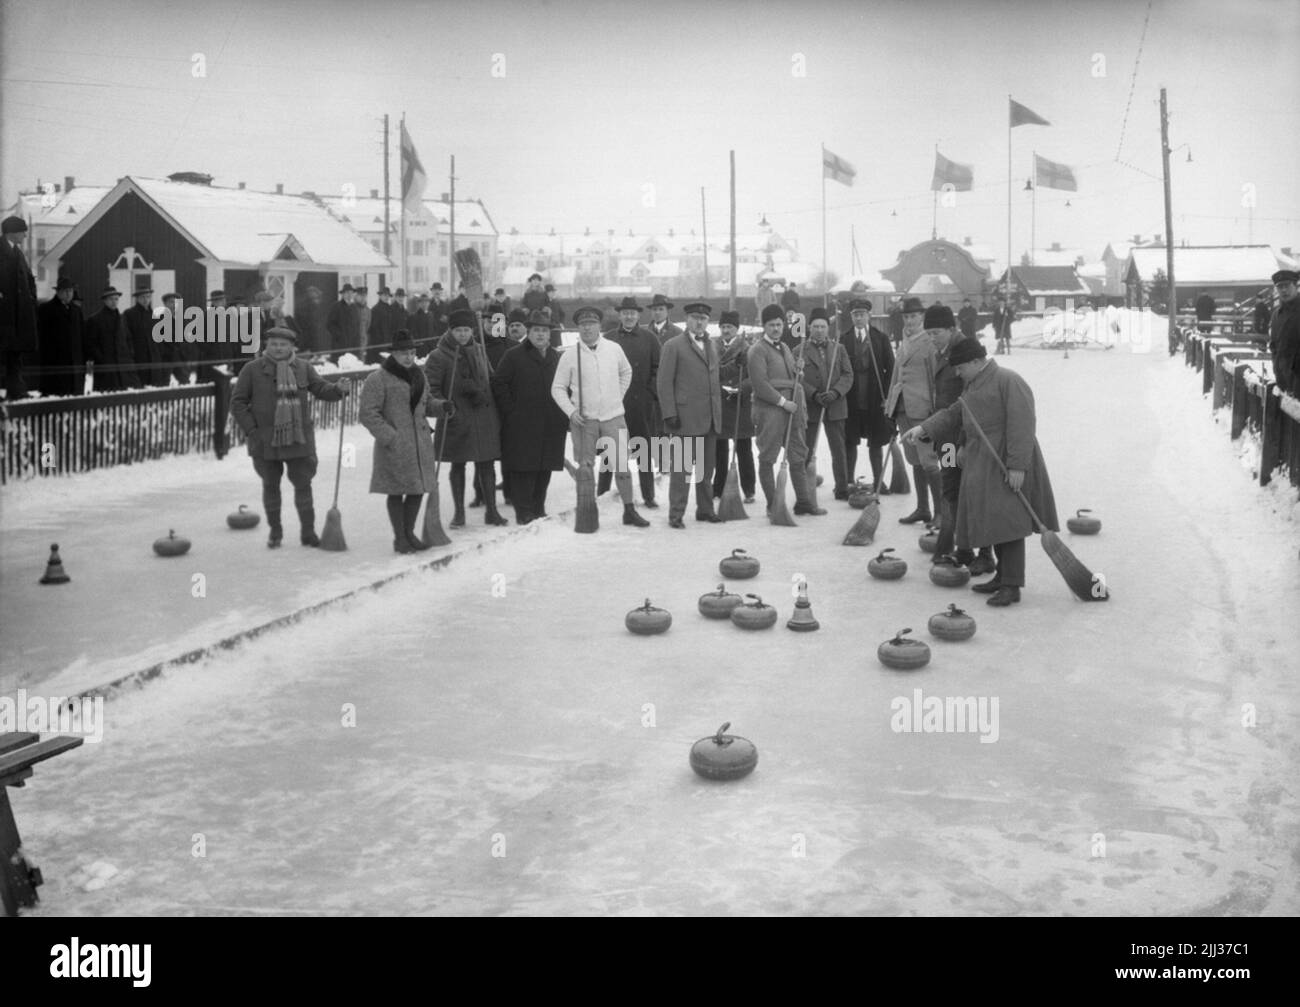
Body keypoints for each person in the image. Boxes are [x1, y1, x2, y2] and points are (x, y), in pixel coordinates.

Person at [904, 338, 1059, 607]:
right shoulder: (973, 384)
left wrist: (1017, 466)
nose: (958, 373)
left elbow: (1023, 426)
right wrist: (927, 430)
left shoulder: (1009, 380)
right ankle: (1001, 576)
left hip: (1005, 461)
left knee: (1010, 523)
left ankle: (1012, 585)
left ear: (977, 361)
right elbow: (957, 414)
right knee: (994, 520)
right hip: (984, 461)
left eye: (961, 367)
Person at [229, 326, 348, 548]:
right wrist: (252, 431)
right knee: (270, 485)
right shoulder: (252, 369)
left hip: (298, 439)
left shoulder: (303, 368)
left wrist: (338, 389)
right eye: (273, 344)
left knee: (303, 485)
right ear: (266, 345)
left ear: (293, 347)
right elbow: (237, 403)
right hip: (265, 441)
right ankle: (275, 532)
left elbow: (321, 389)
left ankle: (308, 533)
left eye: (283, 344)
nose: (278, 348)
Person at [551, 305, 650, 528]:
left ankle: (629, 510)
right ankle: (587, 512)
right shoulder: (570, 355)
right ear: (578, 328)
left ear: (599, 326)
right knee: (586, 467)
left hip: (613, 417)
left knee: (622, 466)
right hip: (584, 420)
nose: (587, 328)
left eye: (592, 324)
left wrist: (618, 395)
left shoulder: (614, 349)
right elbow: (557, 388)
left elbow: (626, 372)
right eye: (583, 325)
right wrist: (571, 411)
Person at [921, 304, 994, 576]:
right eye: (928, 333)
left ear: (952, 329)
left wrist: (963, 441)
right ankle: (959, 548)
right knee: (952, 489)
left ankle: (984, 554)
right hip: (948, 440)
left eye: (936, 332)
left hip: (964, 440)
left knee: (972, 493)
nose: (932, 338)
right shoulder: (940, 352)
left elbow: (970, 403)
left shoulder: (966, 351)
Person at [358, 329, 439, 554]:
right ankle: (400, 538)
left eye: (412, 353)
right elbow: (368, 413)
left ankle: (409, 533)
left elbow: (427, 403)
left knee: (417, 489)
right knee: (396, 491)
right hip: (395, 446)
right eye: (404, 353)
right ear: (392, 354)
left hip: (419, 444)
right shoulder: (378, 378)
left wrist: (441, 407)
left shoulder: (419, 375)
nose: (409, 357)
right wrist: (390, 436)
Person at [424, 308, 507, 528]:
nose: (463, 334)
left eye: (467, 330)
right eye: (458, 330)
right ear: (450, 331)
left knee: (486, 465)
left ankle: (492, 510)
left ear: (472, 330)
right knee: (457, 466)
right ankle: (459, 514)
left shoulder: (479, 350)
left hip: (484, 416)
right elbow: (430, 389)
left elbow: (490, 377)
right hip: (457, 417)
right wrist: (445, 406)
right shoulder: (438, 356)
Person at [491, 311, 569, 524]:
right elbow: (499, 383)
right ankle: (523, 511)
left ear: (549, 333)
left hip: (551, 422)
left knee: (545, 467)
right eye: (536, 330)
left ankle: (538, 507)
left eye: (544, 330)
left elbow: (567, 386)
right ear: (528, 332)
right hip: (522, 423)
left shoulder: (557, 357)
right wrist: (511, 410)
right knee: (524, 468)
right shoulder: (514, 355)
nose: (540, 335)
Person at [748, 303, 820, 516]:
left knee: (797, 455)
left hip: (793, 410)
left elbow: (793, 379)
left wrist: (798, 370)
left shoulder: (787, 348)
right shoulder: (757, 350)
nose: (776, 329)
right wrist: (782, 402)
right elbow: (760, 385)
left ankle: (804, 503)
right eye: (771, 325)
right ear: (764, 327)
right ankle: (774, 505)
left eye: (779, 324)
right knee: (768, 457)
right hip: (770, 410)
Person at [657, 301, 724, 527]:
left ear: (707, 322)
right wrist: (669, 413)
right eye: (695, 317)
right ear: (687, 320)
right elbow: (664, 382)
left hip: (709, 419)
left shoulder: (712, 345)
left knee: (706, 471)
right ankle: (676, 514)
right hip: (683, 419)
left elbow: (713, 378)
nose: (699, 322)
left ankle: (705, 510)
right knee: (681, 471)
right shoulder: (673, 345)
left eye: (703, 319)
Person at [884, 297, 942, 526]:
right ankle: (922, 508)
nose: (909, 320)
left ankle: (940, 513)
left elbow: (936, 379)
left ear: (922, 317)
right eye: (906, 316)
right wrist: (890, 408)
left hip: (924, 411)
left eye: (914, 316)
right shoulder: (904, 341)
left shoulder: (930, 342)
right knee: (915, 460)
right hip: (903, 409)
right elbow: (896, 377)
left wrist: (936, 410)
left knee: (930, 461)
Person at [602, 296, 660, 508]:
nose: (629, 316)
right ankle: (603, 493)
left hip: (641, 404)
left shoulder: (649, 338)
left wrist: (649, 393)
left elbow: (658, 368)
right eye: (625, 312)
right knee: (610, 450)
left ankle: (648, 495)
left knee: (643, 450)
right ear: (620, 315)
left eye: (632, 313)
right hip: (613, 404)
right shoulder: (608, 338)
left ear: (638, 315)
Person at [800, 306, 854, 502]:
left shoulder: (839, 348)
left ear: (828, 328)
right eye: (816, 326)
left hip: (836, 406)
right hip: (812, 407)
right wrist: (813, 394)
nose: (820, 330)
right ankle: (805, 488)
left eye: (823, 326)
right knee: (807, 448)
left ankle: (841, 488)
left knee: (839, 449)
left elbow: (849, 375)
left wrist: (836, 392)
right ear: (809, 327)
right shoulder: (800, 350)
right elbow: (797, 379)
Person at [841, 297, 895, 494]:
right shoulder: (844, 339)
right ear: (851, 316)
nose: (859, 318)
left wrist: (886, 396)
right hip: (852, 399)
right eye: (855, 314)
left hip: (875, 398)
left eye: (862, 314)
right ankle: (847, 482)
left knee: (876, 442)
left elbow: (891, 368)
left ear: (869, 315)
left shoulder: (880, 338)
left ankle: (879, 481)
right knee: (850, 441)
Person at [712, 310, 756, 503]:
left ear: (737, 329)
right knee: (720, 450)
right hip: (720, 402)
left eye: (730, 327)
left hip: (740, 404)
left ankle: (749, 489)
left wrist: (740, 388)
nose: (726, 330)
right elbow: (710, 372)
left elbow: (754, 376)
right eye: (723, 327)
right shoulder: (711, 347)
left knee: (744, 449)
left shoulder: (748, 349)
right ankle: (719, 488)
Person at [0, 215, 38, 398]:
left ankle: (16, 391)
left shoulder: (17, 253)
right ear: (12, 232)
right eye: (22, 232)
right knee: (6, 353)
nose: (24, 235)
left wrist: (31, 298)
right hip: (4, 316)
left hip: (18, 316)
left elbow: (29, 280)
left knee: (15, 355)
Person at [37, 277, 85, 396]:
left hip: (74, 363)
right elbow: (41, 335)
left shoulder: (76, 310)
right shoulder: (46, 309)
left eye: (71, 291)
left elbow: (81, 335)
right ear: (58, 292)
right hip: (55, 360)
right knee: (56, 395)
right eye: (65, 291)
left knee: (73, 396)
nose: (69, 294)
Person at [83, 286, 137, 391]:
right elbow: (91, 344)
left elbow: (128, 339)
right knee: (107, 397)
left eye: (116, 299)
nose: (114, 302)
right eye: (111, 299)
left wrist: (129, 355)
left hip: (123, 366)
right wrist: (102, 359)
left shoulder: (122, 319)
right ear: (104, 300)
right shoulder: (95, 320)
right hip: (106, 367)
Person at [122, 287, 165, 387]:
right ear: (137, 299)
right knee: (140, 385)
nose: (146, 300)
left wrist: (159, 352)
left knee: (155, 386)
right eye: (142, 297)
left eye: (148, 297)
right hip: (139, 356)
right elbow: (126, 336)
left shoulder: (155, 315)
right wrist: (131, 353)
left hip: (155, 358)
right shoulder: (129, 314)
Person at [1269, 269, 1299, 396]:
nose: (1284, 290)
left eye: (1287, 286)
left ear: (1296, 286)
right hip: (1283, 380)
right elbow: (1274, 346)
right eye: (1280, 287)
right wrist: (1277, 370)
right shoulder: (1276, 315)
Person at [326, 283, 360, 360]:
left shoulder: (354, 308)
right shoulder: (336, 306)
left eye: (351, 293)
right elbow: (329, 324)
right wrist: (339, 335)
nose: (349, 295)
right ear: (343, 294)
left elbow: (357, 325)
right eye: (347, 293)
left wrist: (356, 340)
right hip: (339, 345)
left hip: (352, 345)